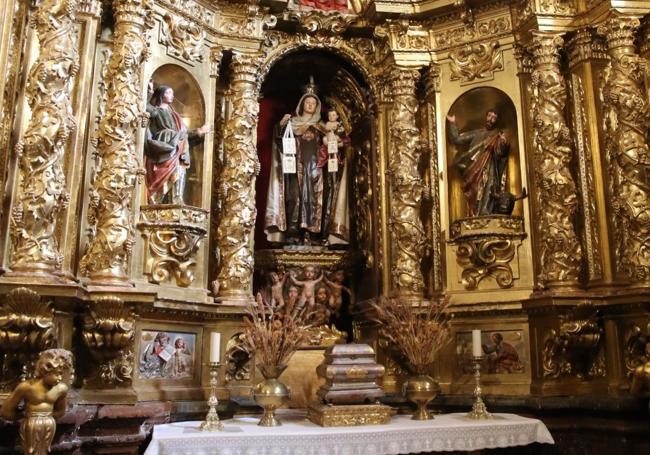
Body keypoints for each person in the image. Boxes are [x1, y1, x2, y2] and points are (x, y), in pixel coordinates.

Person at [264, 78, 349, 246]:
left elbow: (334, 145)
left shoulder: (321, 126)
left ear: (317, 107)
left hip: (316, 169)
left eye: (313, 103)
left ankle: (314, 234)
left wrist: (337, 144)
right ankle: (293, 232)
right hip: (295, 167)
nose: (310, 105)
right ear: (302, 104)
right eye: (307, 102)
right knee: (294, 197)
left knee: (315, 200)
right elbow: (280, 143)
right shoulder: (292, 124)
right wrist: (281, 126)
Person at [144, 80, 209, 204]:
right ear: (161, 95)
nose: (172, 95)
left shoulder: (175, 115)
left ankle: (177, 199)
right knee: (167, 171)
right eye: (169, 93)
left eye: (172, 93)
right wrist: (149, 91)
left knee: (179, 170)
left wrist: (199, 131)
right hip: (165, 145)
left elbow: (184, 132)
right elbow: (144, 107)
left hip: (178, 146)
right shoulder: (157, 111)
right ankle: (155, 201)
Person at [1, 349, 73, 455]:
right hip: (30, 424)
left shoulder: (61, 389)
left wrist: (47, 416)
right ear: (45, 371)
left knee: (44, 450)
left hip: (49, 424)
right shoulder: (26, 387)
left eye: (61, 374)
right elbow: (5, 411)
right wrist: (22, 415)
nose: (60, 378)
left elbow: (61, 411)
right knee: (29, 450)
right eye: (57, 374)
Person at [447, 109, 510, 217]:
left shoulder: (497, 135)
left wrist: (503, 143)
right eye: (489, 116)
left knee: (490, 187)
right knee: (475, 191)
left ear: (497, 120)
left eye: (494, 117)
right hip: (474, 167)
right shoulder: (477, 133)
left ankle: (486, 211)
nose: (491, 119)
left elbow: (501, 153)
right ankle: (474, 214)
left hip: (490, 166)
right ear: (486, 117)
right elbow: (457, 139)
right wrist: (452, 123)